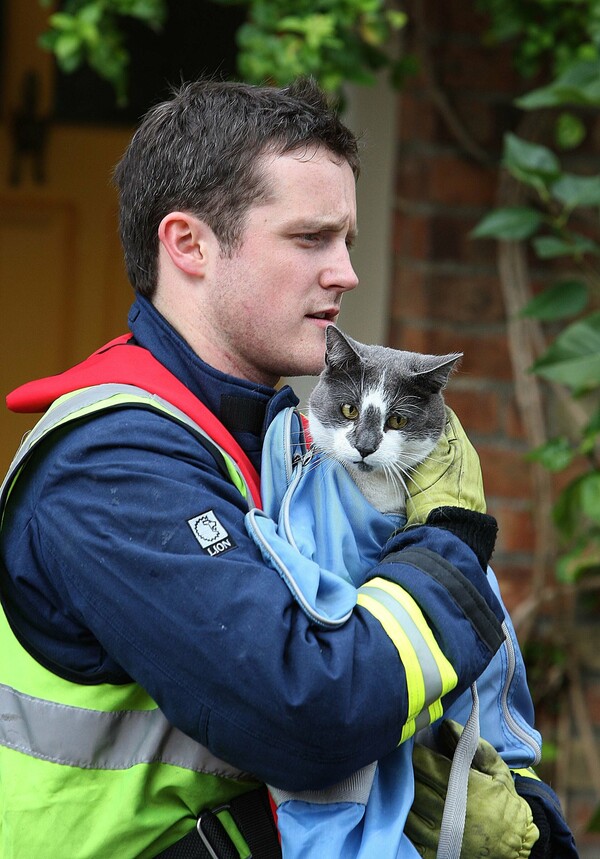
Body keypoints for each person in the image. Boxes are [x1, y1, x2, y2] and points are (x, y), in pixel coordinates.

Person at [0, 78, 576, 858]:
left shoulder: (276, 435)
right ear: (188, 244)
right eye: (311, 239)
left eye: (348, 240)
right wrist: (449, 542)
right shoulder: (110, 465)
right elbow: (311, 711)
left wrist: (529, 815)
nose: (346, 271)